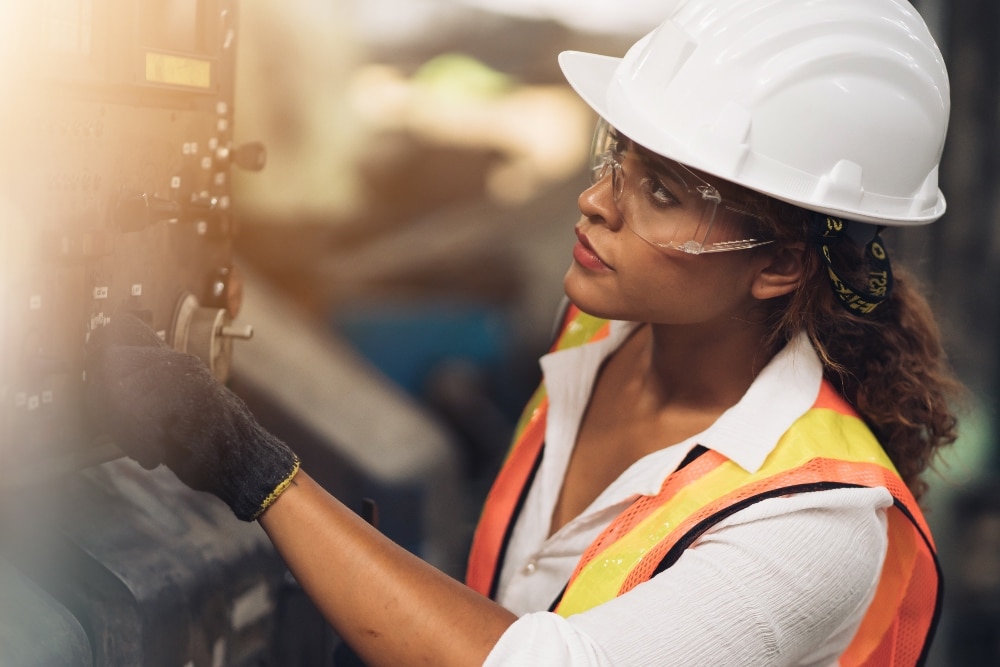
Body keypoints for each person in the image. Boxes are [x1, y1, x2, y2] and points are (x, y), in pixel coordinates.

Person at [86, 0, 965, 664]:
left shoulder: (815, 525)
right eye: (616, 153)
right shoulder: (599, 329)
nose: (594, 200)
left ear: (780, 265)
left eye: (659, 191)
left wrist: (254, 470)